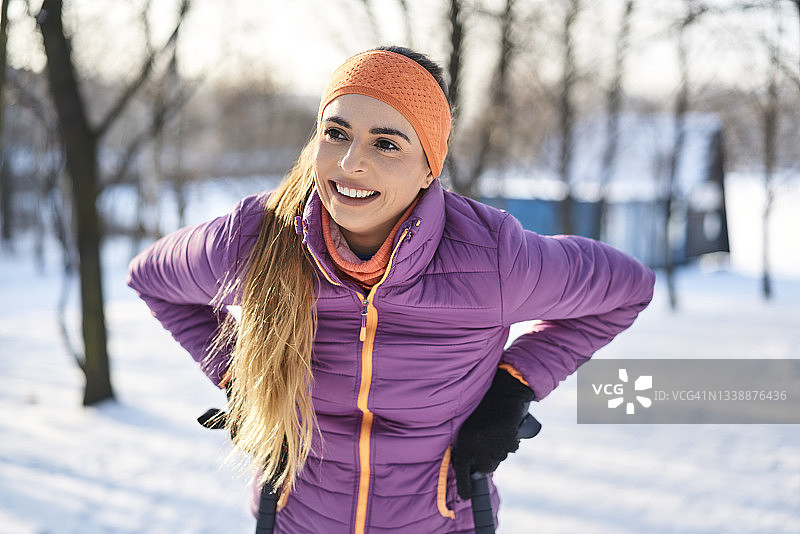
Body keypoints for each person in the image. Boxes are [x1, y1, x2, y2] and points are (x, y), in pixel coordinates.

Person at [127, 46, 655, 534]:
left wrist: (514, 385)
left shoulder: (492, 260)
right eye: (336, 133)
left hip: (440, 519)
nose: (352, 161)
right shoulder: (257, 240)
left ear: (430, 166)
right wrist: (241, 379)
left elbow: (627, 288)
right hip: (296, 518)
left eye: (386, 143)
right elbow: (152, 279)